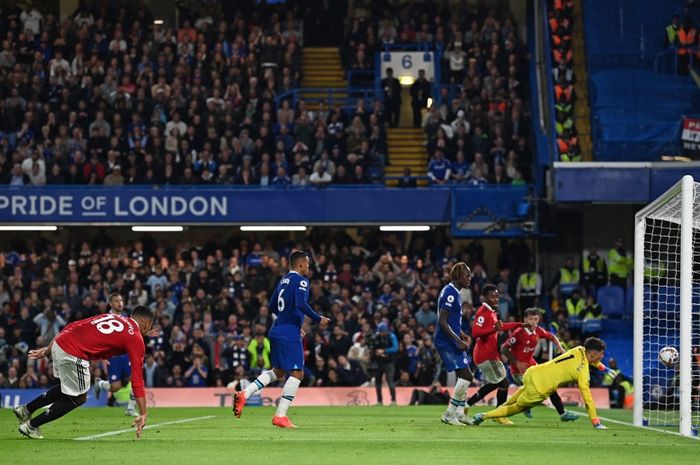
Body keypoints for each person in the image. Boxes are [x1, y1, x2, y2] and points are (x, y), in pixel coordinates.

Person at [13, 306, 154, 439]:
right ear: (146, 323)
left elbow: (72, 326)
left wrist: (47, 350)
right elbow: (137, 379)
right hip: (73, 352)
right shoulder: (135, 337)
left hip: (60, 343)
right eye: (150, 327)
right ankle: (31, 426)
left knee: (68, 389)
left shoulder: (113, 317)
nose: (148, 330)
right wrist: (143, 413)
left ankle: (25, 410)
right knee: (79, 397)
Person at [233, 250, 330, 428]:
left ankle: (245, 394)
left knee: (278, 372)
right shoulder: (302, 281)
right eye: (307, 263)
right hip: (288, 333)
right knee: (297, 373)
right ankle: (280, 415)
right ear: (300, 264)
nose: (308, 266)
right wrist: (318, 319)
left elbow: (271, 306)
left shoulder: (283, 280)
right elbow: (301, 304)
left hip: (276, 330)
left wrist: (290, 320)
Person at [474, 337, 611, 430]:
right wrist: (595, 422)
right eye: (601, 354)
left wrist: (603, 368)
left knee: (519, 394)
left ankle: (497, 413)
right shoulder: (582, 372)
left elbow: (592, 360)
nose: (602, 356)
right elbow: (588, 400)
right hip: (541, 388)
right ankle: (484, 416)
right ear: (592, 353)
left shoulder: (579, 349)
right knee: (518, 408)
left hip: (533, 372)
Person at [501, 308, 579, 421]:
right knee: (535, 388)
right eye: (530, 319)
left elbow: (552, 336)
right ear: (525, 319)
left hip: (532, 366)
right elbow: (504, 349)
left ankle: (562, 414)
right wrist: (517, 363)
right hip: (518, 370)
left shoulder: (538, 330)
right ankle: (508, 410)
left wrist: (560, 348)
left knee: (550, 386)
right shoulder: (518, 332)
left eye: (536, 319)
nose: (533, 322)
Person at [464, 284, 524, 424]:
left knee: (495, 383)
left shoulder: (491, 312)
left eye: (497, 296)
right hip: (485, 354)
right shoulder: (483, 312)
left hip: (489, 354)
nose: (496, 298)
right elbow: (475, 333)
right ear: (485, 298)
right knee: (504, 382)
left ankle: (467, 405)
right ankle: (499, 414)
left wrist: (520, 324)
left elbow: (500, 327)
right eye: (492, 296)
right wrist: (492, 329)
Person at [434, 262, 474, 426]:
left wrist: (462, 334)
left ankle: (460, 414)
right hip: (447, 341)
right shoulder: (450, 293)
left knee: (462, 377)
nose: (469, 279)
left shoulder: (453, 291)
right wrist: (457, 340)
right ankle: (449, 414)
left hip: (452, 339)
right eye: (467, 275)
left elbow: (450, 320)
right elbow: (442, 321)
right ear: (458, 276)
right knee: (467, 376)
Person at [93, 293, 138, 416]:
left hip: (126, 356)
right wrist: (103, 358)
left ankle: (130, 408)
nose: (120, 303)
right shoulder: (104, 319)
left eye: (121, 300)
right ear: (111, 303)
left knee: (136, 379)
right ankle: (100, 383)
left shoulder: (126, 319)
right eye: (116, 301)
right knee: (115, 387)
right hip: (113, 358)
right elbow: (100, 341)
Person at [372, 322, 399, 405]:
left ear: (386, 331)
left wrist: (384, 351)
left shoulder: (392, 336)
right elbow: (373, 347)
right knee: (377, 381)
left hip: (389, 362)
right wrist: (375, 352)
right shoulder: (377, 337)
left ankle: (393, 401)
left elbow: (395, 348)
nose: (380, 333)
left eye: (381, 332)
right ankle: (379, 401)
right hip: (379, 362)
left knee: (390, 381)